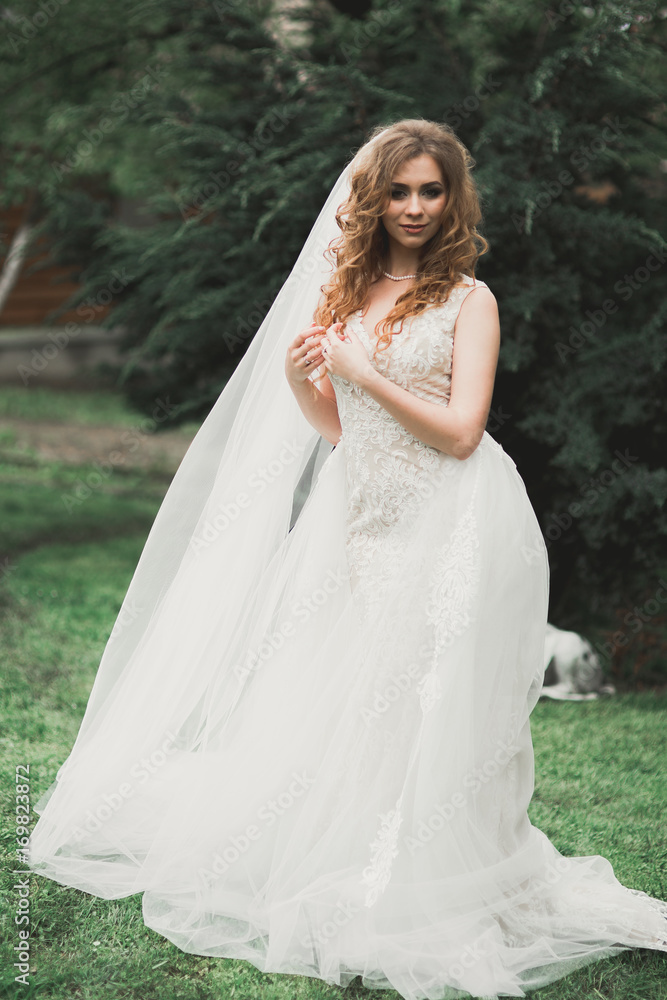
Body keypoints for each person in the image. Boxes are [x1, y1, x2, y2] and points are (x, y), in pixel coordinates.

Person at [28, 119, 666, 999]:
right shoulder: (346, 288)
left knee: (432, 696)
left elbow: (459, 433)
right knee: (364, 695)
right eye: (398, 190)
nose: (413, 206)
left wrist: (363, 375)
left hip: (457, 520)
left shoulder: (468, 300)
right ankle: (360, 849)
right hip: (360, 516)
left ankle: (440, 870)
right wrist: (306, 384)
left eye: (429, 190)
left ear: (453, 199)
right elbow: (347, 436)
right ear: (373, 198)